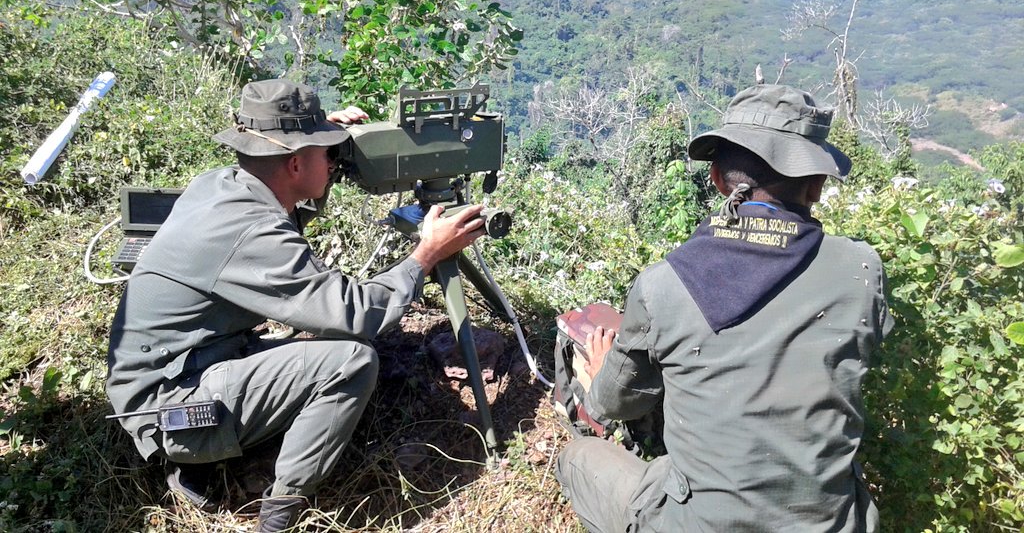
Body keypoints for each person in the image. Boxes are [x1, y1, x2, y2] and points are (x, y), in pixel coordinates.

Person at [105, 79, 485, 532]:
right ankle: (279, 518)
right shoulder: (251, 232)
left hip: (175, 369)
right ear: (292, 162)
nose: (335, 159)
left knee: (308, 344)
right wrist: (425, 257)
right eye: (325, 153)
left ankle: (203, 467)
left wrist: (315, 139)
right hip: (168, 406)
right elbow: (356, 313)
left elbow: (282, 206)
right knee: (349, 360)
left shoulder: (222, 186)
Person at [555, 84, 894, 532]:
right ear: (816, 185)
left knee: (578, 459)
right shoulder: (861, 269)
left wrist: (602, 374)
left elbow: (617, 404)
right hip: (832, 523)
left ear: (717, 179)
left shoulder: (665, 285)